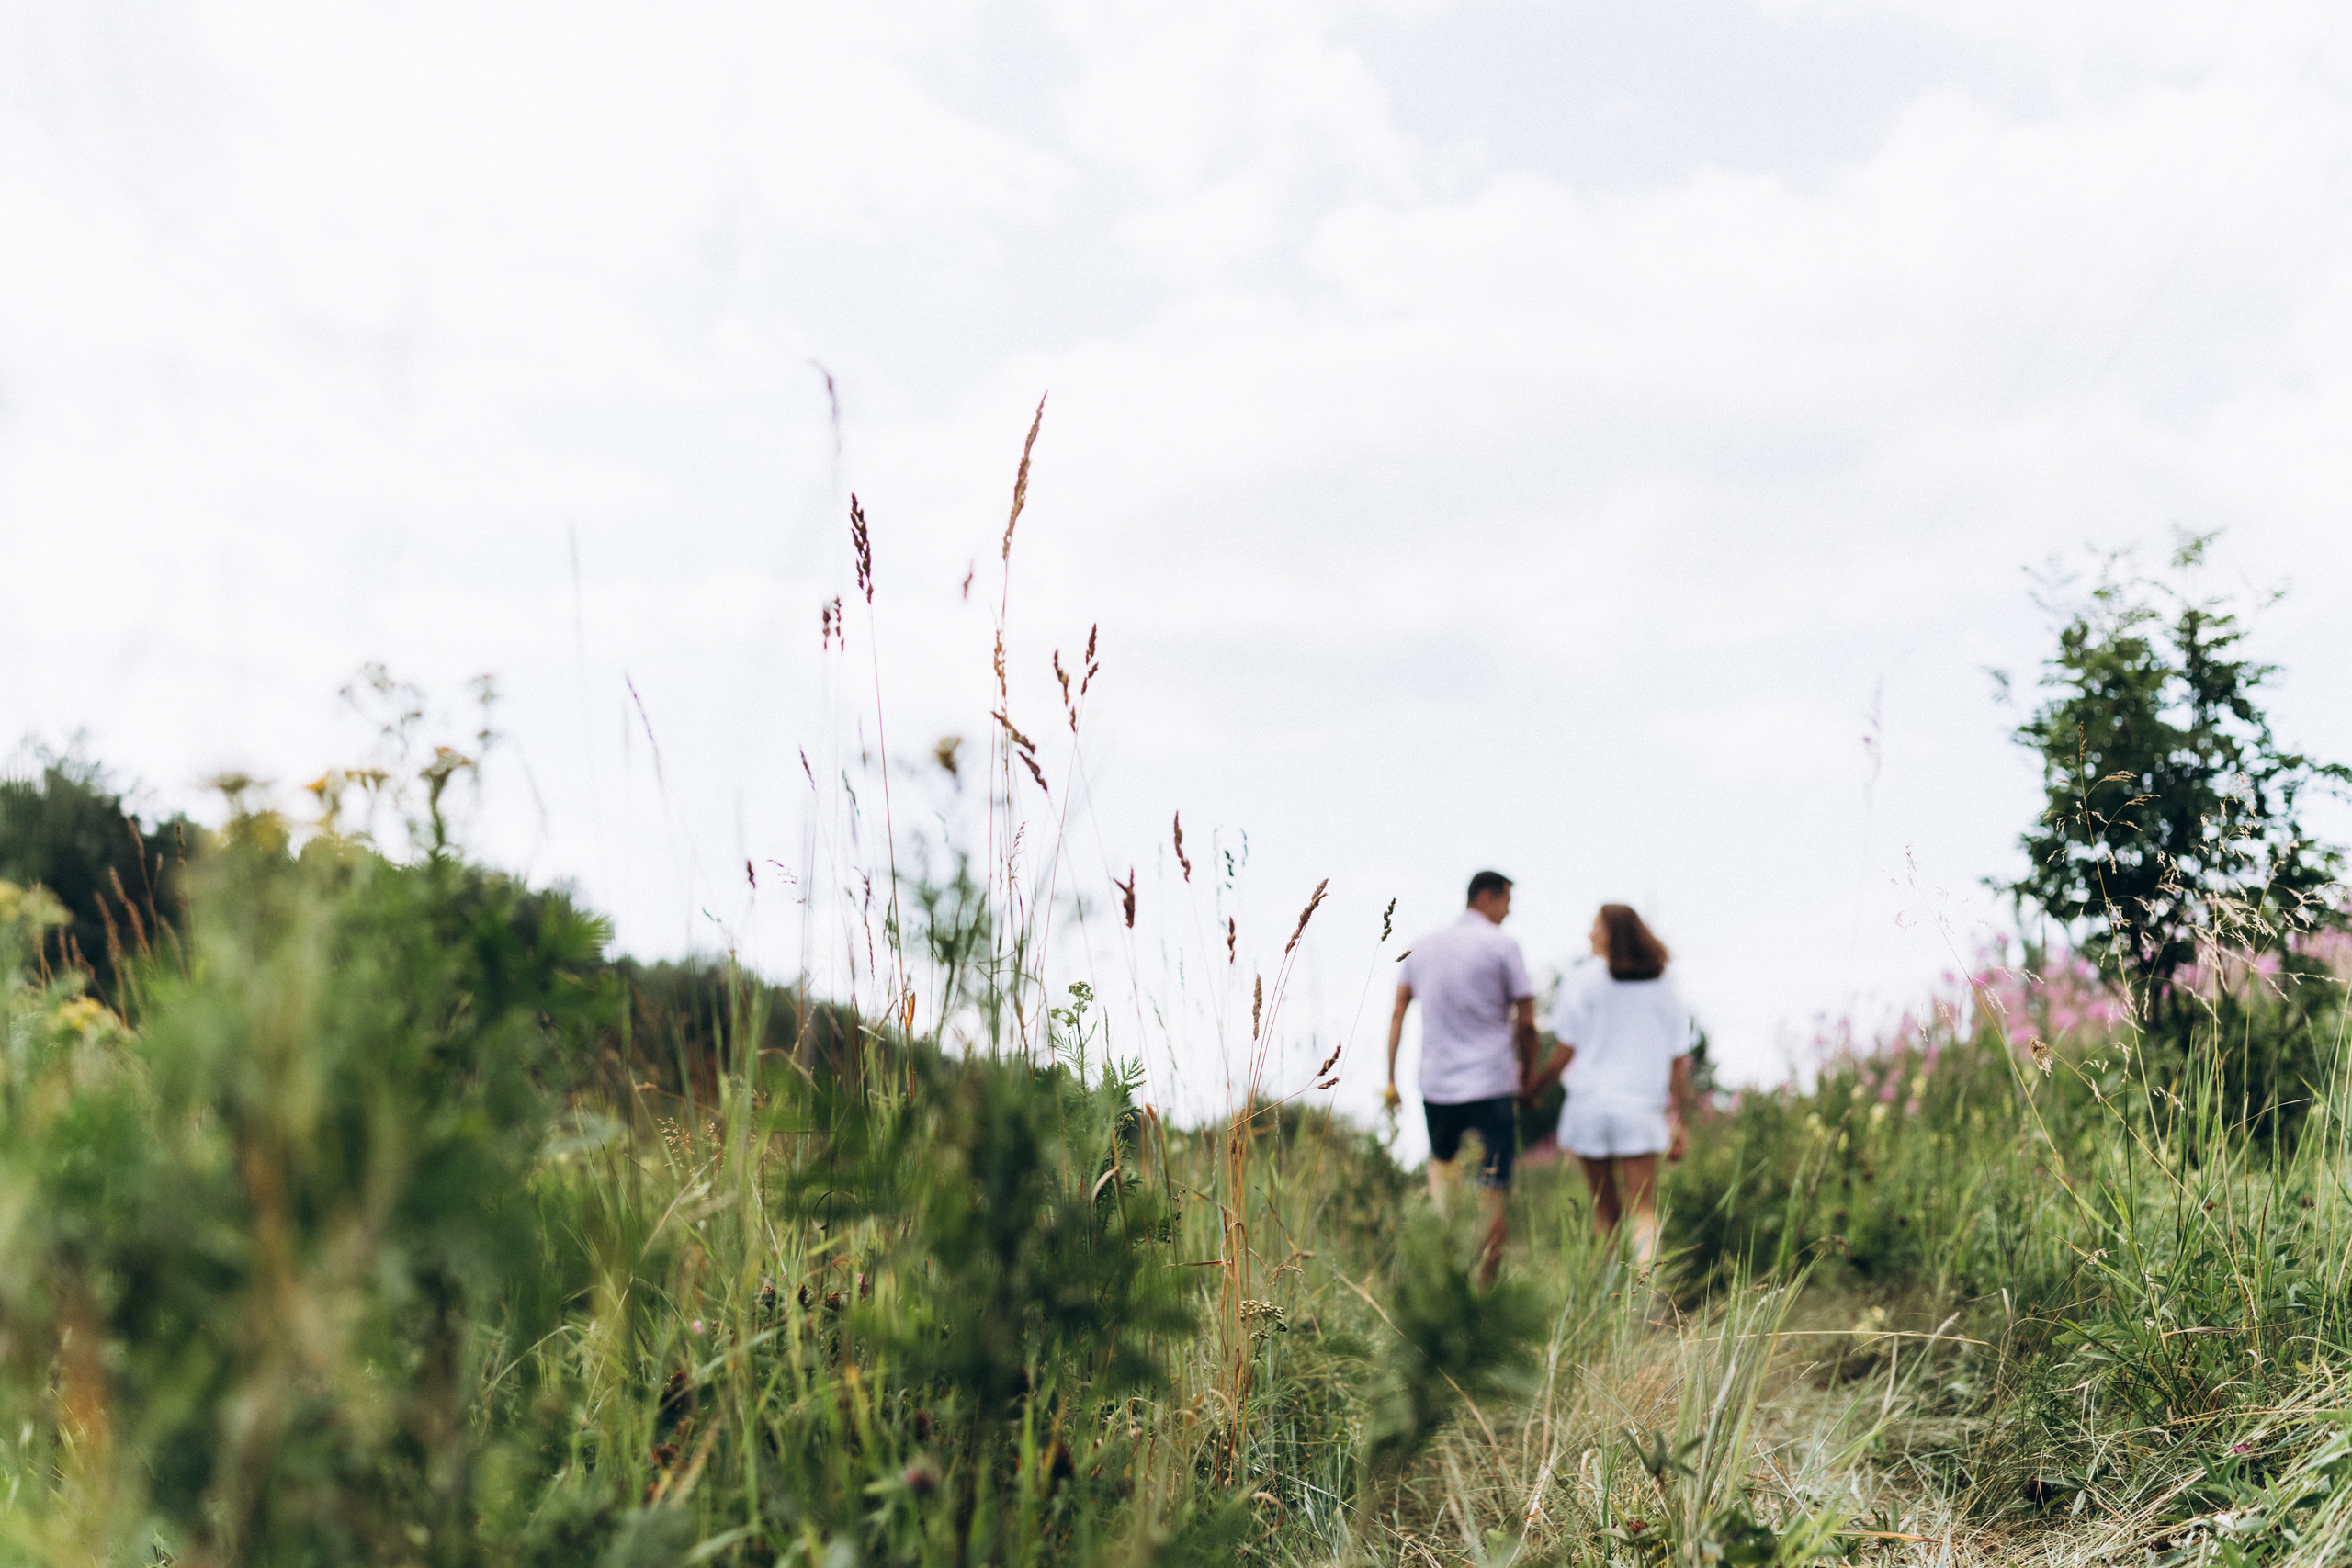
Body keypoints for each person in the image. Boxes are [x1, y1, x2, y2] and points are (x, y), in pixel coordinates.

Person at [1384, 871, 1538, 1287]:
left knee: (1444, 1193)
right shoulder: (1503, 946)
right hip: (1491, 1085)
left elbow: (1399, 1011)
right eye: (1507, 900)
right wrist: (1528, 1078)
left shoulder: (1423, 946)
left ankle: (1442, 1289)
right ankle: (1484, 1296)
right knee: (1491, 1194)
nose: (1509, 911)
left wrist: (1391, 1078)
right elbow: (1527, 1023)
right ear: (1487, 896)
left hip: (1437, 1088)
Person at [1522, 904, 1695, 1269]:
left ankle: (1605, 1299)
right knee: (1642, 1209)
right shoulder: (1662, 984)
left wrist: (1536, 1087)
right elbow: (1678, 1060)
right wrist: (1678, 1116)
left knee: (1606, 1212)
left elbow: (1564, 1050)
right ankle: (1641, 1297)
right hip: (1640, 1111)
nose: (1588, 934)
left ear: (1608, 934)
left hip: (1589, 1109)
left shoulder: (1580, 981)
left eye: (1594, 927)